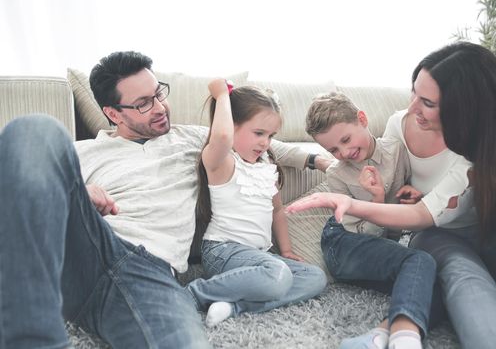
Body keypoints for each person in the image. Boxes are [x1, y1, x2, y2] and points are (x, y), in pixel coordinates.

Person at [0, 51, 329, 349]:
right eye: (143, 103)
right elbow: (18, 187)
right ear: (113, 113)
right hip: (83, 250)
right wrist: (77, 191)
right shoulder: (80, 151)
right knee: (34, 130)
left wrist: (320, 161)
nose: (159, 107)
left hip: (150, 274)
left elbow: (261, 145)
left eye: (159, 93)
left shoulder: (192, 138)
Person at [287, 42, 496, 349]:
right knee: (450, 278)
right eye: (413, 93)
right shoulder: (399, 126)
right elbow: (411, 206)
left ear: (466, 107)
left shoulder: (483, 147)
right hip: (440, 235)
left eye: (427, 102)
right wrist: (362, 196)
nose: (412, 107)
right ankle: (391, 333)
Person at [186, 79, 327, 328]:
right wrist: (221, 96)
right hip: (223, 251)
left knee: (315, 277)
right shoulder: (223, 162)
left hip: (258, 258)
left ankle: (234, 306)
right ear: (232, 126)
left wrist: (285, 251)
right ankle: (194, 294)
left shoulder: (266, 166)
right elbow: (220, 135)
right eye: (259, 133)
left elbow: (277, 211)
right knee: (277, 275)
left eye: (271, 136)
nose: (265, 143)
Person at [305, 92, 436, 349]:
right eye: (333, 149)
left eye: (345, 139)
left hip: (380, 242)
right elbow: (368, 236)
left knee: (429, 281)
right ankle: (405, 341)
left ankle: (376, 337)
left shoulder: (396, 150)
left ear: (362, 119)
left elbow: (402, 212)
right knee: (419, 261)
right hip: (343, 242)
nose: (343, 152)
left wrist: (417, 196)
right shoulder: (338, 175)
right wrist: (376, 199)